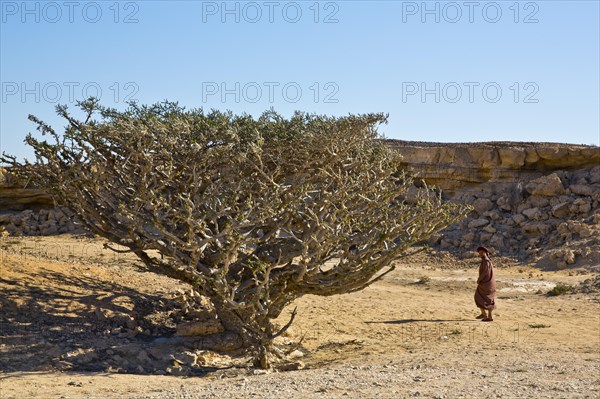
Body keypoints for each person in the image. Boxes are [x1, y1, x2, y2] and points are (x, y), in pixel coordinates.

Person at [474, 246, 496, 322]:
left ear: (485, 253)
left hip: (486, 283)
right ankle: (485, 314)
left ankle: (486, 315)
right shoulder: (487, 261)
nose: (480, 254)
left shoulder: (486, 261)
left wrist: (479, 279)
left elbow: (485, 272)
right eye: (479, 253)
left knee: (479, 297)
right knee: (488, 299)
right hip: (489, 283)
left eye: (482, 253)